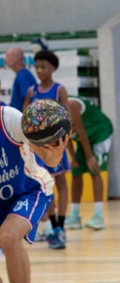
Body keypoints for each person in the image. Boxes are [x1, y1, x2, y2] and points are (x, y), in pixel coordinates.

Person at [0, 103, 69, 283]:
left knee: (8, 237)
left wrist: (57, 152)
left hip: (29, 189)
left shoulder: (9, 119)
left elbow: (49, 160)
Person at [23, 49, 70, 249]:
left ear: (53, 68)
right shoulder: (32, 91)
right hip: (39, 148)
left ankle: (61, 225)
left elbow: (68, 117)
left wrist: (64, 142)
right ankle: (51, 227)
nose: (40, 70)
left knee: (61, 183)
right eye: (37, 67)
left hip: (57, 145)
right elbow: (25, 118)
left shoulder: (59, 90)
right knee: (45, 184)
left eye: (43, 67)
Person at [64, 95, 113, 231]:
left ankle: (98, 216)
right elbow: (65, 136)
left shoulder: (72, 106)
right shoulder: (54, 112)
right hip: (83, 137)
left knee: (94, 169)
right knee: (76, 172)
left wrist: (90, 157)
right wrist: (73, 159)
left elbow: (81, 130)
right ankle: (74, 216)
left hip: (99, 132)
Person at [3, 47, 37, 112]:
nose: (5, 59)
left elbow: (27, 99)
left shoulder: (22, 75)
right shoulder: (23, 74)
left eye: (7, 56)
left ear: (16, 58)